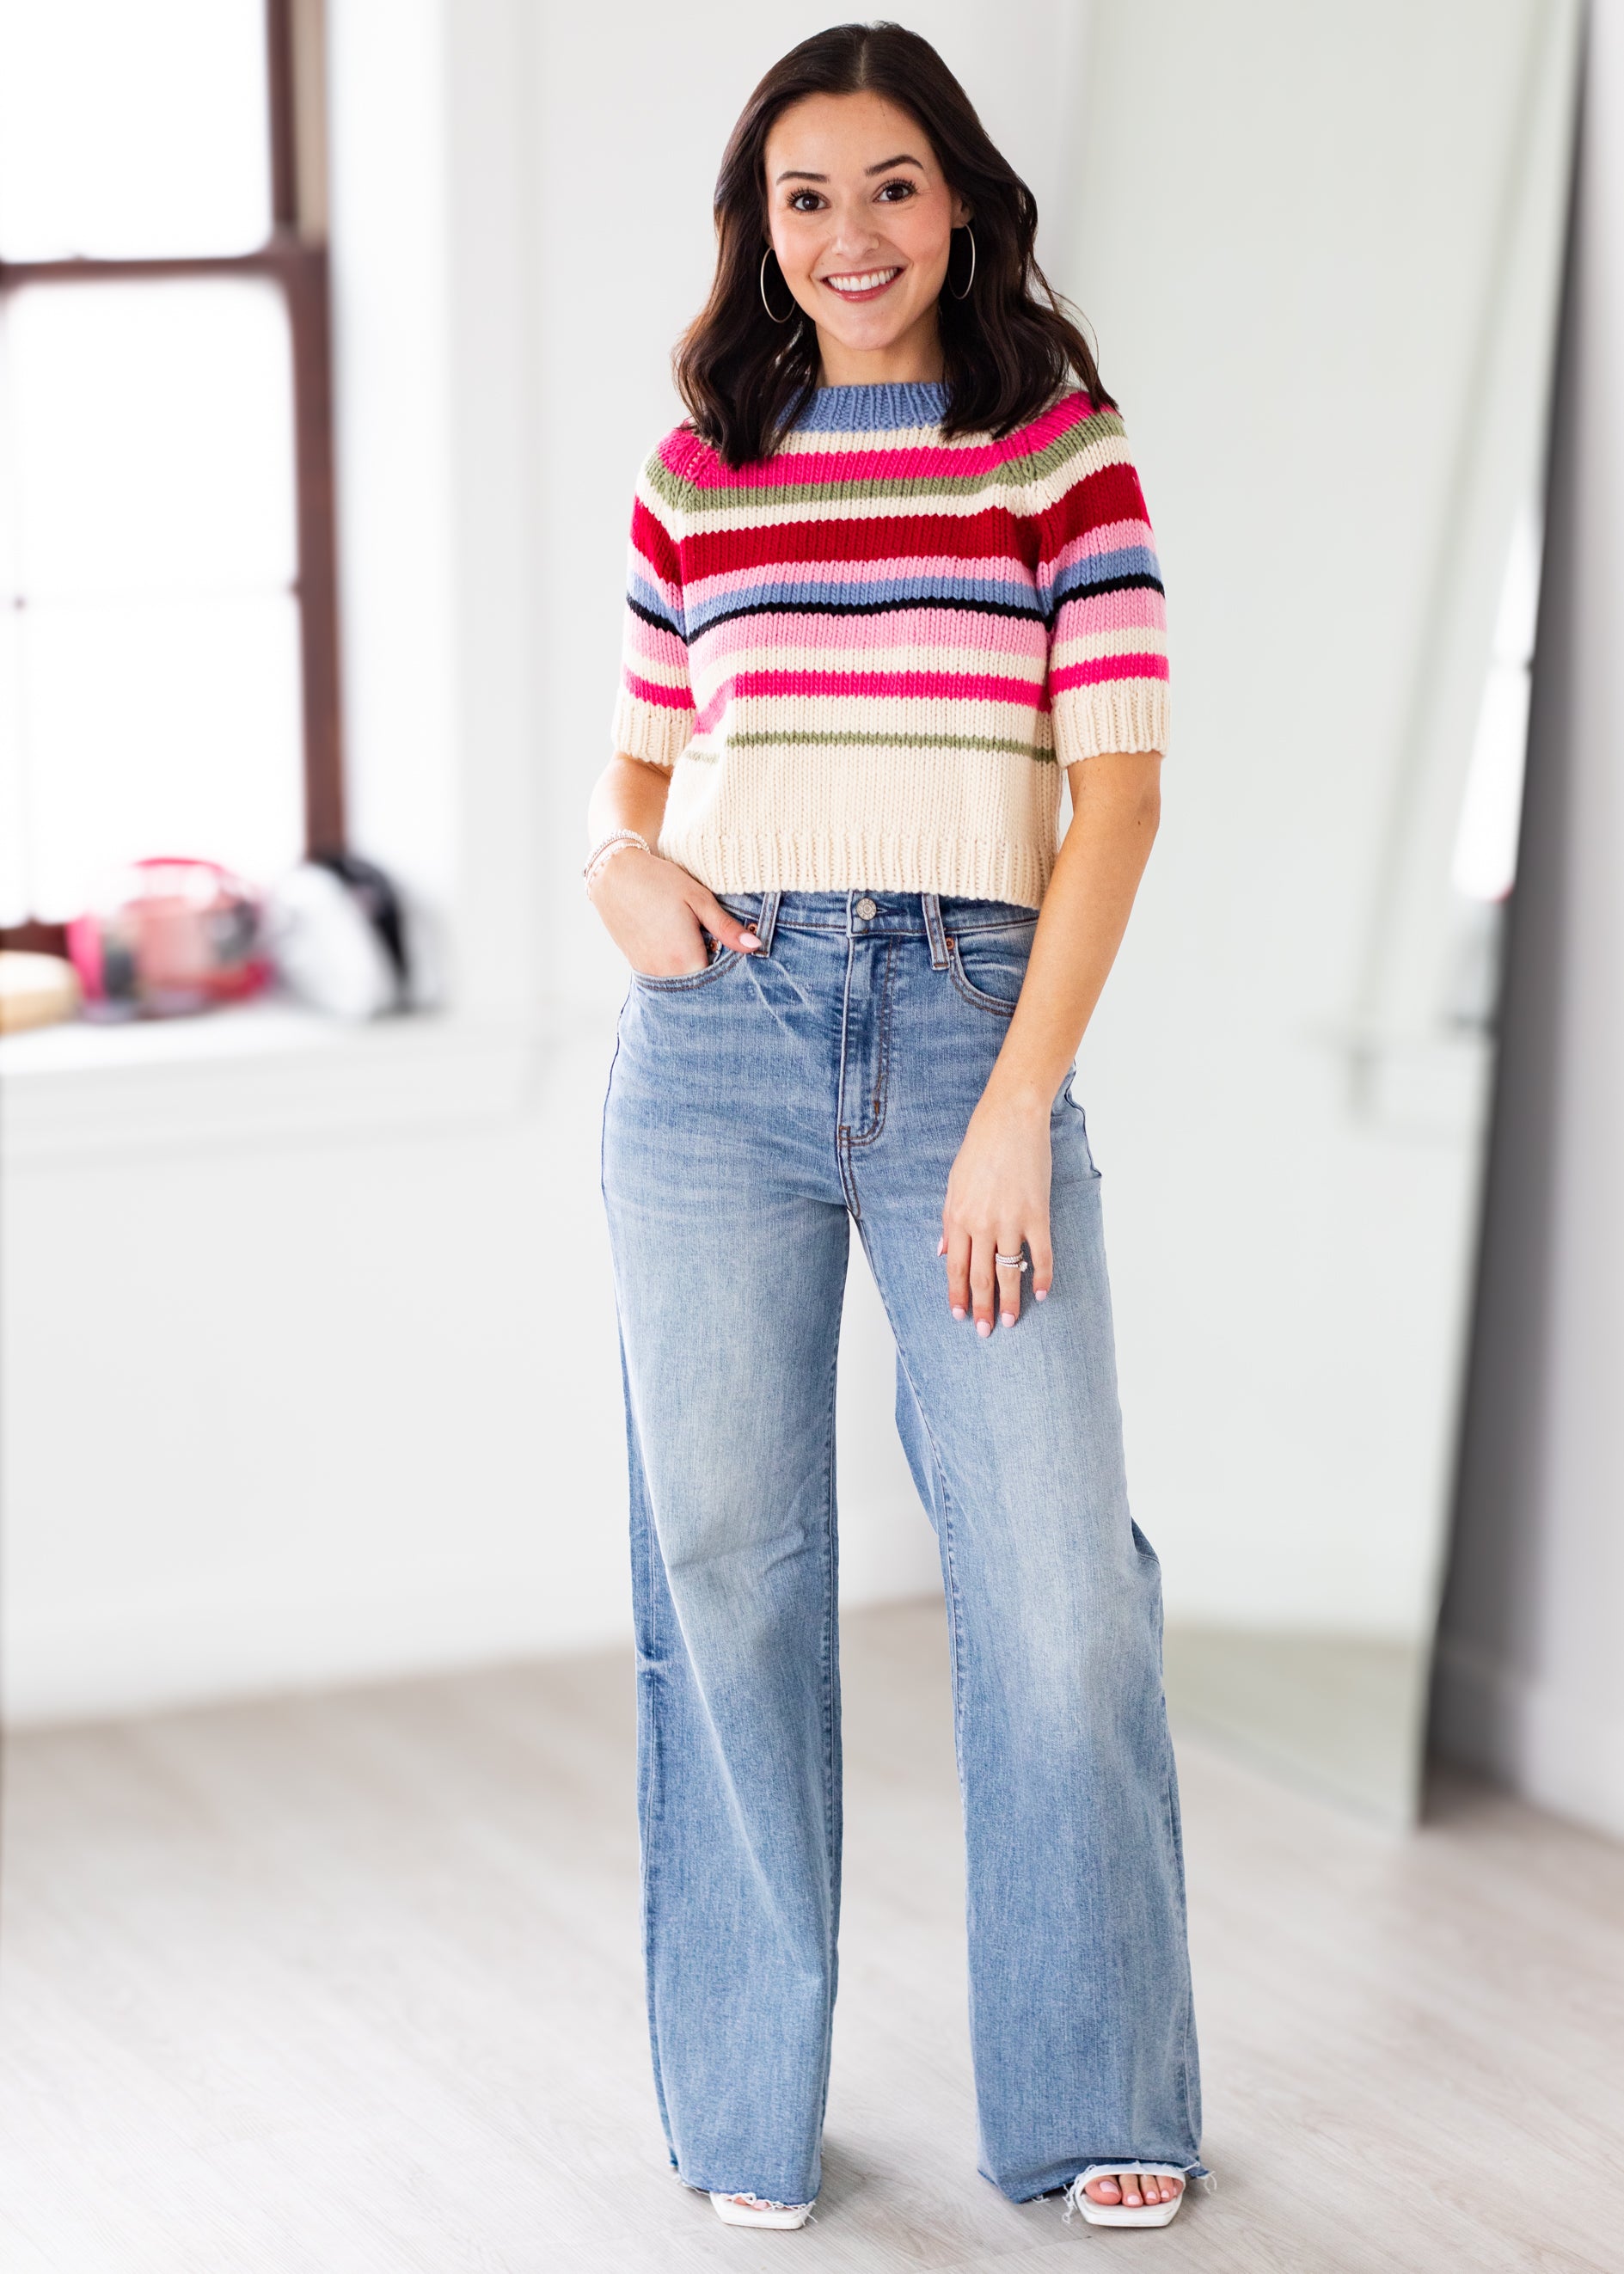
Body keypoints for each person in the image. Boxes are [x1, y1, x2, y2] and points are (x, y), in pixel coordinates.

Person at [586, 20, 1204, 2235]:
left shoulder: (1058, 451)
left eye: (891, 187)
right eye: (805, 197)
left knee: (1057, 1591)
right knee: (722, 1580)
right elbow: (645, 753)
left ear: (961, 202)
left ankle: (1095, 2091)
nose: (850, 235)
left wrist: (1019, 1103)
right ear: (760, 228)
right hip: (716, 1044)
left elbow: (1117, 797)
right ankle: (744, 2115)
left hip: (965, 1024)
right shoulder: (702, 464)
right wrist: (613, 867)